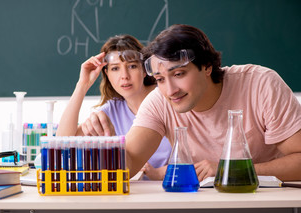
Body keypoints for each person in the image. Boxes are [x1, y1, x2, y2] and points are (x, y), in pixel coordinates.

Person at [124, 24, 301, 182]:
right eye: (160, 79)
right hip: (203, 206)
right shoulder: (159, 101)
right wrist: (99, 142)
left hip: (269, 203)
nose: (170, 91)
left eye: (179, 74)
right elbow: (127, 165)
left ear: (207, 66)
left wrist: (229, 171)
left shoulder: (260, 84)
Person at [56, 34, 172, 180]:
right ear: (107, 74)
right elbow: (62, 143)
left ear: (144, 70)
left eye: (132, 66)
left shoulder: (168, 96)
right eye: (115, 68)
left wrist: (160, 173)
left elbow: (194, 154)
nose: (124, 76)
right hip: (131, 193)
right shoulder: (111, 111)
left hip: (174, 189)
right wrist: (82, 85)